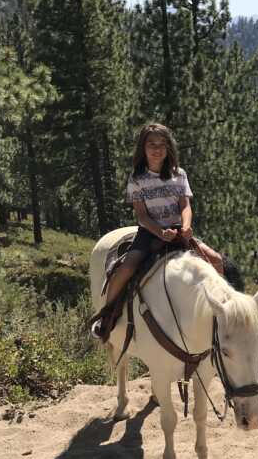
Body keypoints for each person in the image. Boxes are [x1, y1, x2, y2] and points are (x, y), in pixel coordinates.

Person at [91, 122, 224, 338]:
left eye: (162, 144)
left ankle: (220, 312)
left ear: (168, 148)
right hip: (149, 231)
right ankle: (108, 315)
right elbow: (141, 215)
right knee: (126, 268)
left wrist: (186, 226)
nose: (157, 149)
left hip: (179, 230)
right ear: (143, 148)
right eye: (152, 144)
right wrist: (160, 232)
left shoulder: (179, 174)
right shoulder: (137, 178)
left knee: (215, 259)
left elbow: (185, 205)